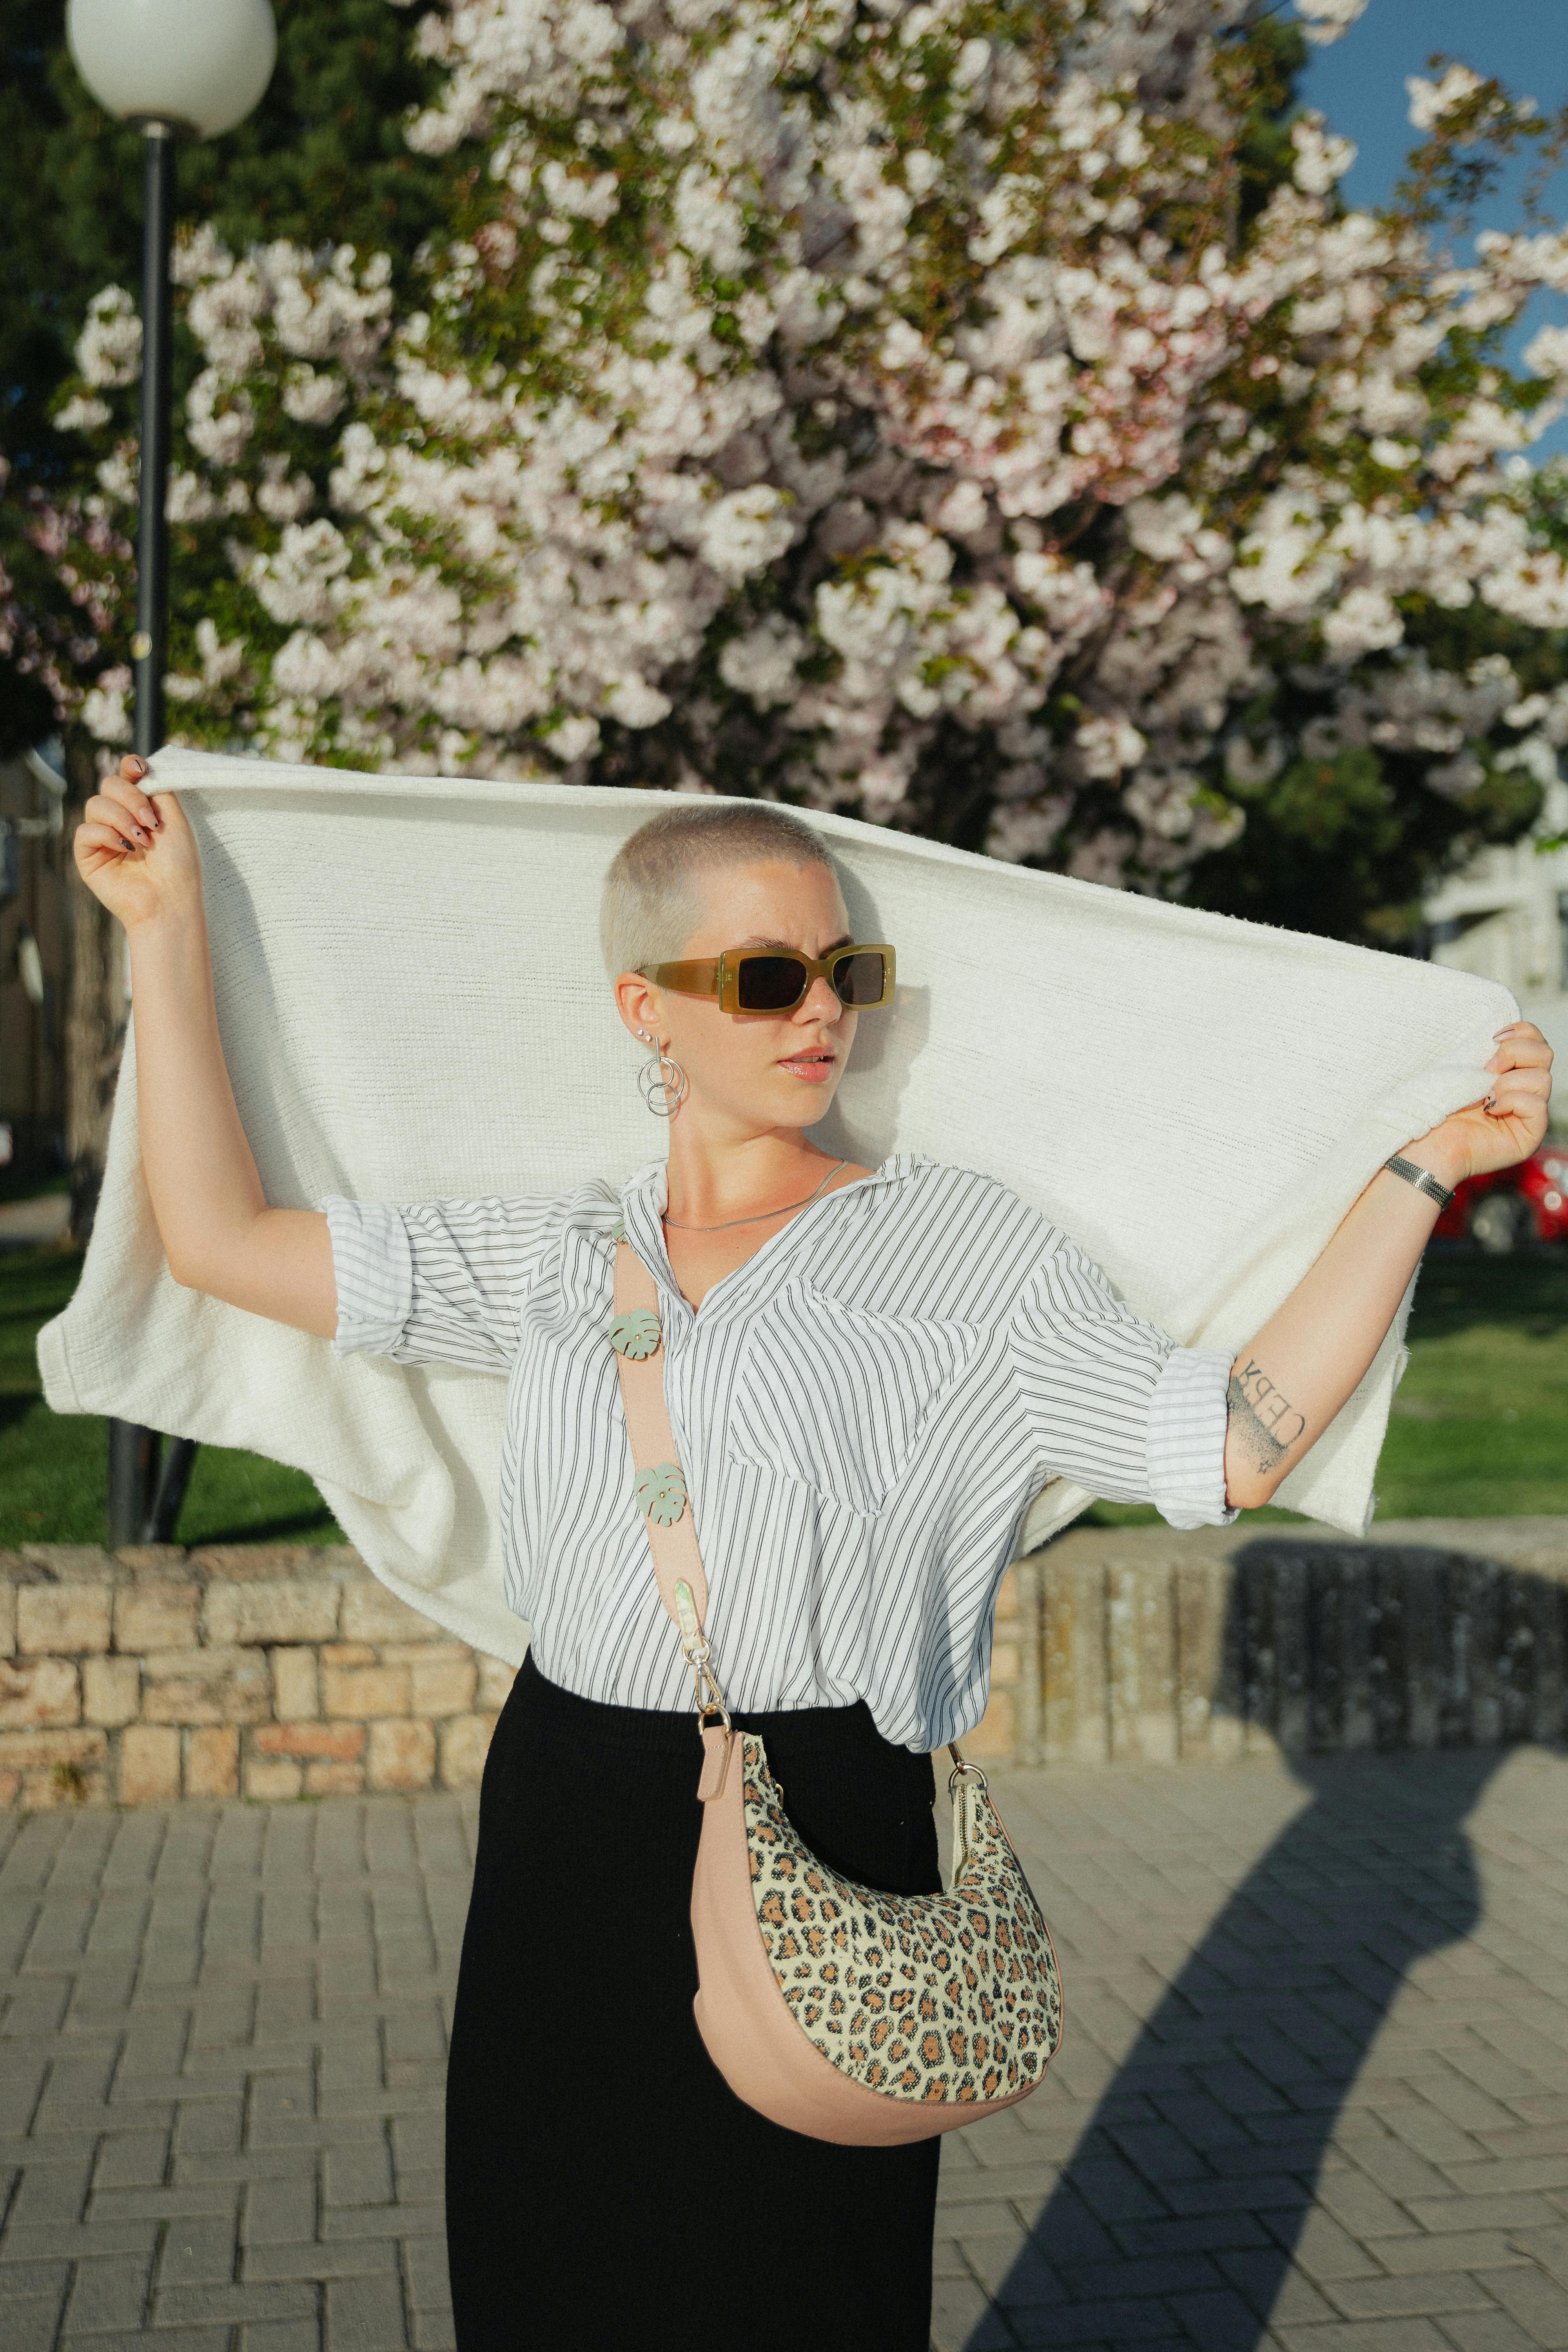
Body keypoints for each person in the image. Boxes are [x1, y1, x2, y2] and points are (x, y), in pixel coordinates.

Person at [81, 750, 1552, 2348]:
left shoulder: (964, 1251)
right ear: (646, 1010)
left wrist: (1420, 1174)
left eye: (847, 971)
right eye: (767, 977)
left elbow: (1232, 1444)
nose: (822, 1014)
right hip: (570, 1805)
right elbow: (221, 1240)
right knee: (547, 2269)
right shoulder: (562, 1249)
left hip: (837, 1803)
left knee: (800, 2288)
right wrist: (164, 928)